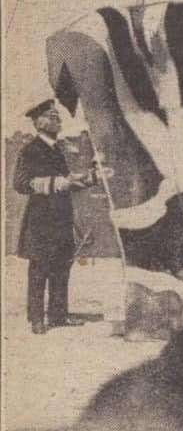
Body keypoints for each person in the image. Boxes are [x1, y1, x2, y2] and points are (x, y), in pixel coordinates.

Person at [13, 99, 96, 334]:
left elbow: (68, 182)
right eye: (51, 116)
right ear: (38, 122)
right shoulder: (30, 150)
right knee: (40, 268)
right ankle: (37, 319)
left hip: (61, 216)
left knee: (62, 265)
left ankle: (59, 315)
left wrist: (93, 178)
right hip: (41, 219)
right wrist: (59, 182)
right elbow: (20, 184)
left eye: (57, 115)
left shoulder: (56, 149)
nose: (57, 119)